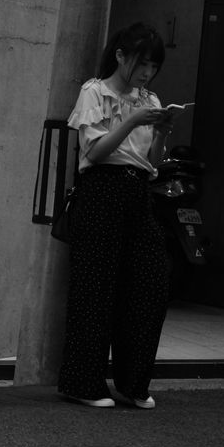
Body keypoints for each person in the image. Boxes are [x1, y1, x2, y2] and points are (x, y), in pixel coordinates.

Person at [58, 22, 176, 409]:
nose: (146, 74)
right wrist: (131, 121)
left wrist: (160, 134)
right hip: (100, 189)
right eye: (142, 64)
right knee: (95, 289)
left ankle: (132, 383)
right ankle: (83, 383)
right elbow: (94, 153)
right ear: (121, 55)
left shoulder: (151, 99)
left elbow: (152, 164)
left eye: (153, 67)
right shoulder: (94, 91)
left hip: (138, 191)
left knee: (149, 283)